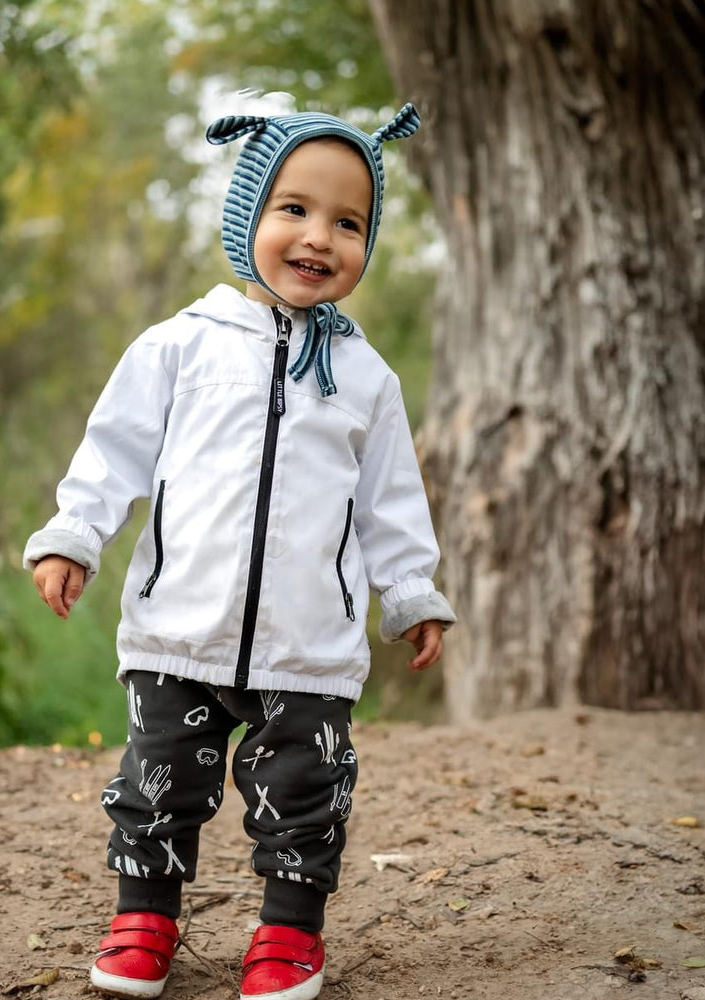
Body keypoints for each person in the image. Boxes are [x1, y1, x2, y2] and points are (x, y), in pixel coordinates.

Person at [24, 103, 456, 1000]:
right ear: (248, 215)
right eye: (293, 209)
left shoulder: (368, 379)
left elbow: (388, 505)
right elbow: (114, 453)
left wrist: (410, 590)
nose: (318, 237)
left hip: (308, 644)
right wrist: (75, 535)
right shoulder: (180, 345)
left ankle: (289, 934)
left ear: (366, 247)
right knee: (159, 780)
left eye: (348, 222)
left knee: (305, 790)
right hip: (180, 627)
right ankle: (144, 917)